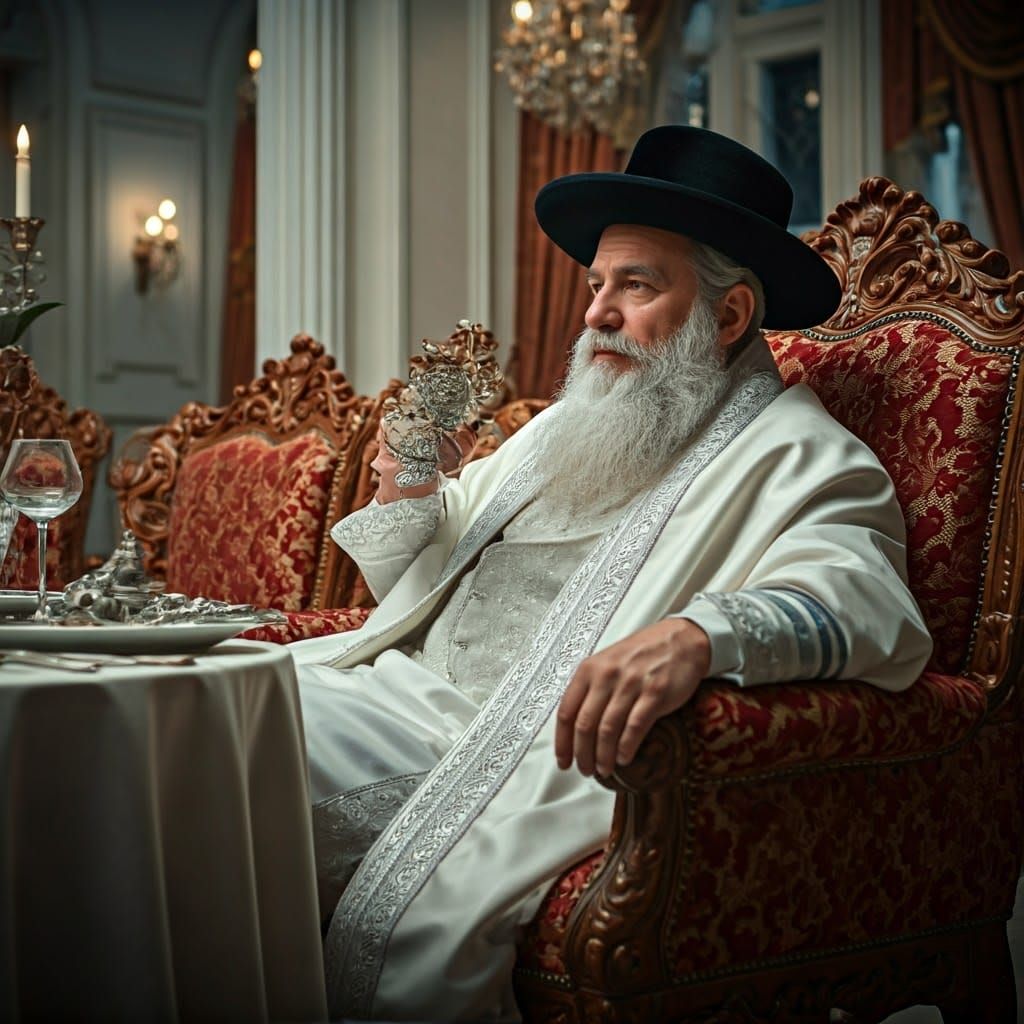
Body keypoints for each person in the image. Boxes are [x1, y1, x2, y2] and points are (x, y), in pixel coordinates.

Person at [289, 125, 933, 1022]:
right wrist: (416, 485)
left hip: (496, 750)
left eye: (636, 285)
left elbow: (864, 603)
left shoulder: (800, 457)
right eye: (598, 284)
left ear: (731, 315)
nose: (596, 312)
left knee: (214, 765)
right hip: (386, 689)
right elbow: (422, 572)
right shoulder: (570, 424)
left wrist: (700, 634)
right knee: (187, 714)